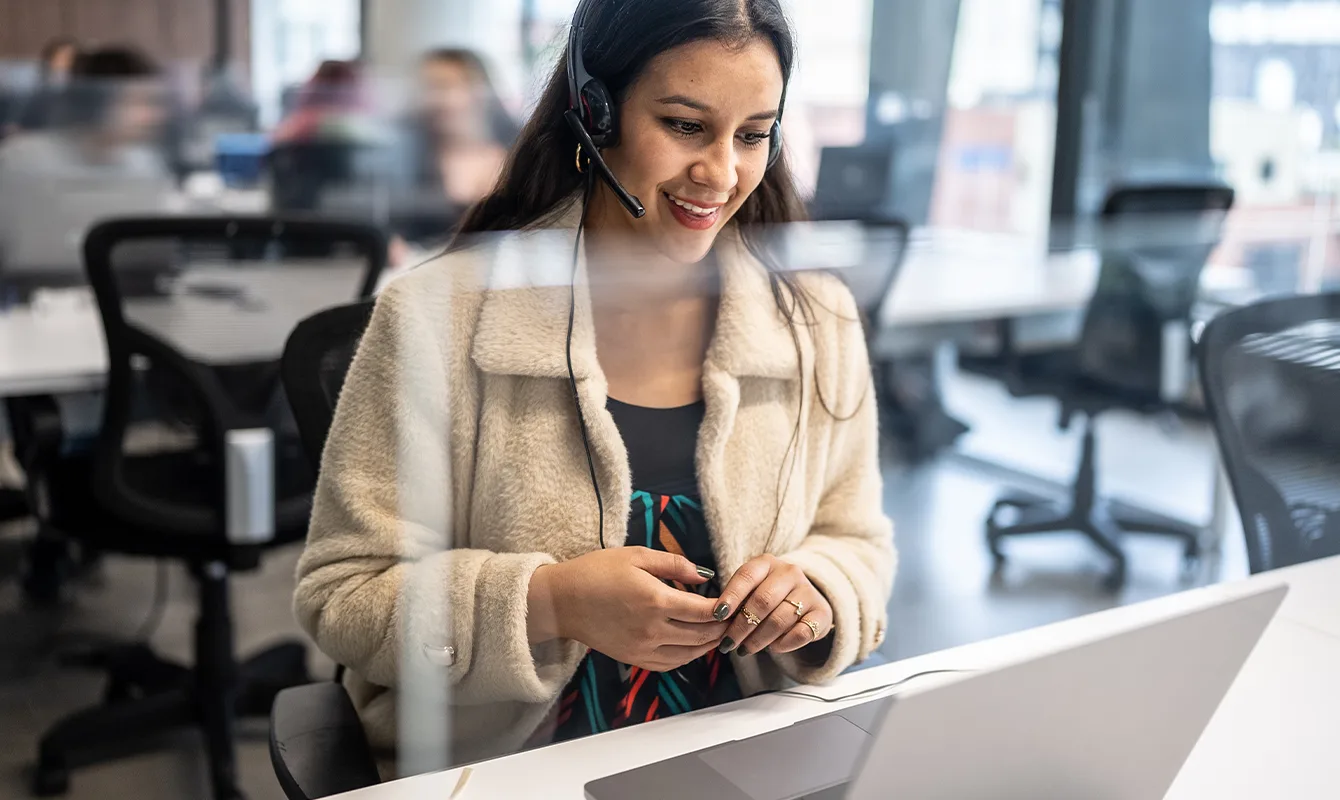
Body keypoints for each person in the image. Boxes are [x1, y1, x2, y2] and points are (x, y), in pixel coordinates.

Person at [294, 0, 895, 777]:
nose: (721, 173)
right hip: (505, 771)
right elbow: (345, 594)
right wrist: (552, 603)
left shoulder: (814, 317)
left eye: (752, 134)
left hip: (746, 758)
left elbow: (859, 543)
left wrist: (816, 590)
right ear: (595, 110)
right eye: (684, 125)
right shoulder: (439, 314)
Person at [8, 37, 80, 133]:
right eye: (63, 57)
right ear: (50, 60)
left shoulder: (83, 87)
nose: (68, 63)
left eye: (72, 58)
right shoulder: (36, 86)